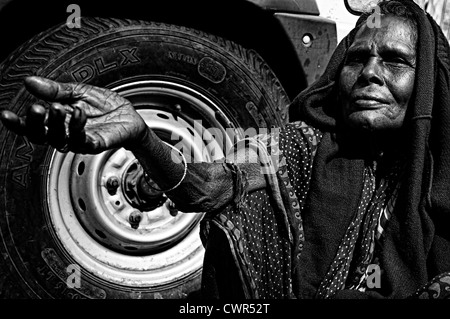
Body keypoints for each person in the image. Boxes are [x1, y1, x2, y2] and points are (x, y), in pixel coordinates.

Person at [1, 0, 450, 299]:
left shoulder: (442, 176)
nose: (370, 73)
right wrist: (141, 137)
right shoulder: (302, 146)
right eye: (357, 58)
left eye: (395, 60)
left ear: (429, 82)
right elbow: (205, 187)